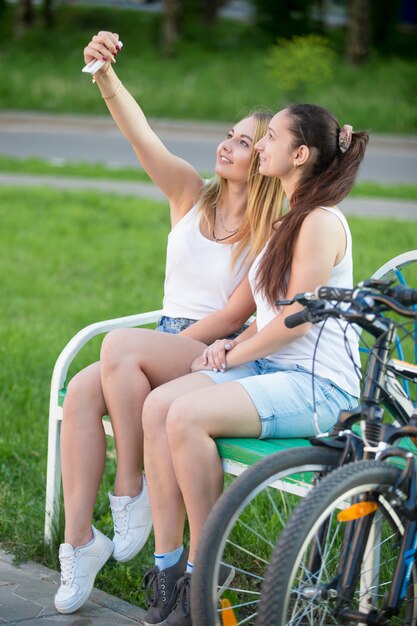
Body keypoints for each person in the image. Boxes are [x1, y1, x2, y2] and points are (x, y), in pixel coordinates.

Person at [54, 31, 283, 615]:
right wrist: (103, 72)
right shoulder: (189, 193)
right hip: (162, 341)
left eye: (243, 141)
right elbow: (139, 132)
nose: (226, 145)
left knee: (118, 348)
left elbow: (237, 314)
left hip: (214, 350)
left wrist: (167, 348)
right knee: (82, 392)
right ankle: (81, 543)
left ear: (265, 159)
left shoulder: (272, 229)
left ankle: (131, 489)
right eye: (227, 134)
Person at [140, 104, 369, 626]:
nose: (261, 146)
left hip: (318, 387)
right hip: (273, 372)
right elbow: (268, 312)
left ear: (300, 154)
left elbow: (296, 320)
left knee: (186, 416)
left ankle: (205, 570)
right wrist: (233, 341)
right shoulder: (289, 217)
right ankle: (168, 566)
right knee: (158, 406)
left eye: (270, 139)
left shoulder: (319, 222)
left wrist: (230, 351)